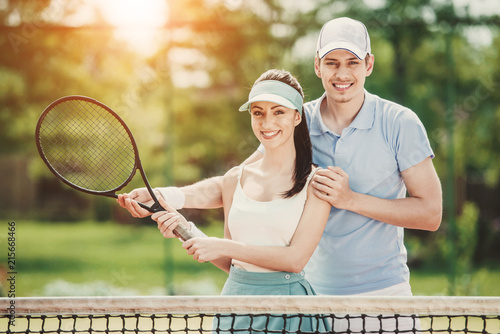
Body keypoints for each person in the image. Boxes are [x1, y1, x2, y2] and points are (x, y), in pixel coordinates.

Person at [118, 16, 442, 332]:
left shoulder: (400, 123)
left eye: (352, 62)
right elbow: (242, 180)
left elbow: (430, 214)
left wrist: (350, 199)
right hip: (312, 296)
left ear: (368, 65)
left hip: (381, 295)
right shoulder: (294, 119)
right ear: (318, 66)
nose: (342, 73)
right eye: (332, 62)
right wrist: (168, 196)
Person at [146, 69, 331, 333]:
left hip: (292, 313)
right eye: (258, 113)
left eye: (278, 112)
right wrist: (188, 231)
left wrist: (223, 246)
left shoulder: (317, 183)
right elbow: (232, 263)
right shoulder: (233, 180)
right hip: (236, 309)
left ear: (297, 116)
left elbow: (295, 260)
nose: (267, 123)